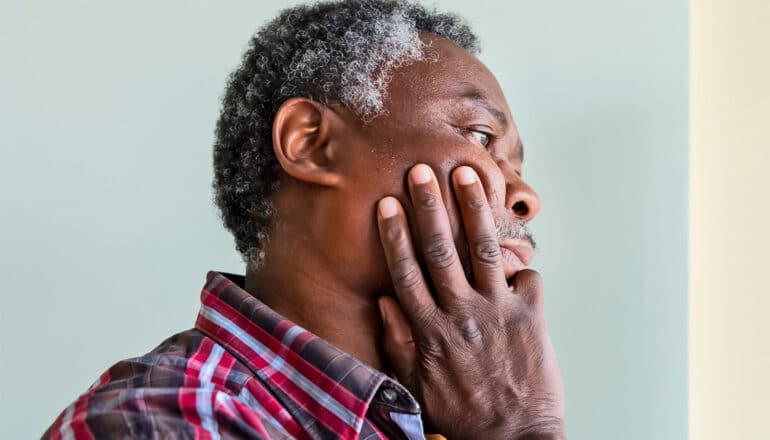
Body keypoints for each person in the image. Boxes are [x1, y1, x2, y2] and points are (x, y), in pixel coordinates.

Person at [44, 1, 565, 438]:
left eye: (518, 166)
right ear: (312, 144)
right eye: (479, 137)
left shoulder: (441, 424)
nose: (526, 196)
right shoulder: (162, 421)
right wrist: (520, 429)